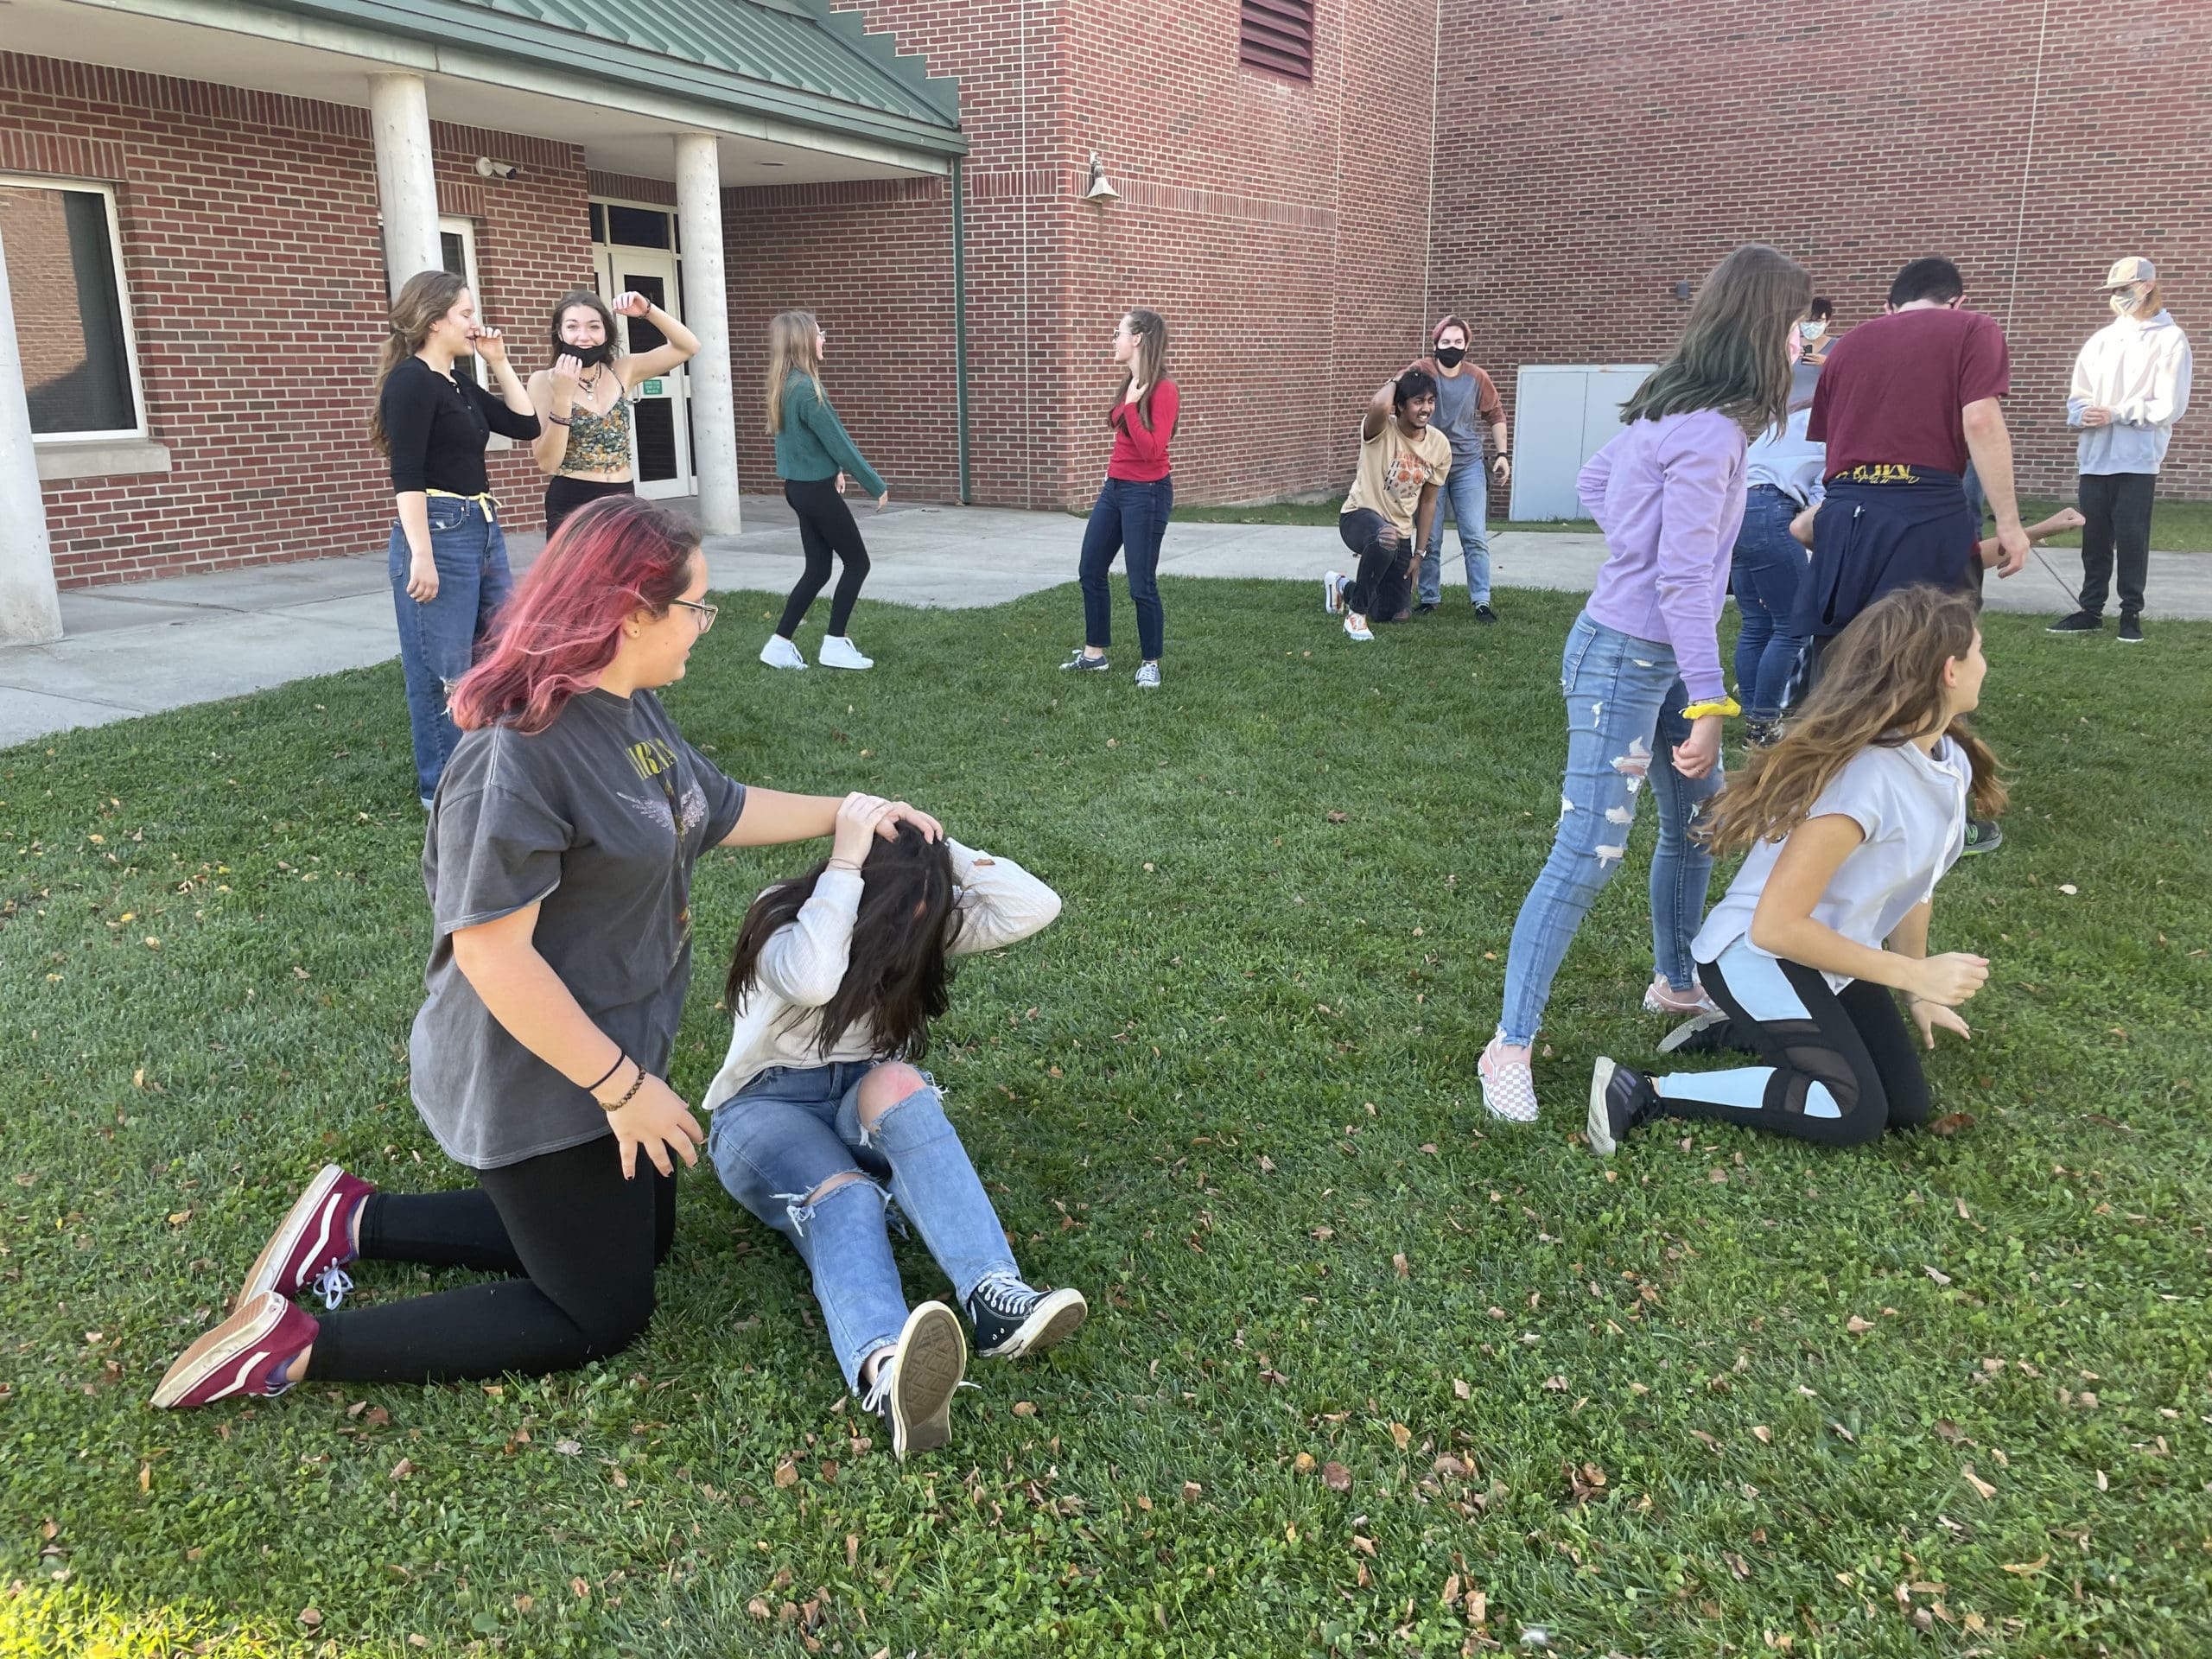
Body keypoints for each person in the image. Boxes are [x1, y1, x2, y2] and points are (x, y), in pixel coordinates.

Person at [152, 499, 944, 1409]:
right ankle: (286, 1349)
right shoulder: (516, 758)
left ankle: (353, 1218)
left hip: (604, 1045)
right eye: (697, 609)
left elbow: (714, 807)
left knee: (642, 1240)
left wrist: (856, 814)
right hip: (531, 1072)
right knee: (601, 1311)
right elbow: (494, 959)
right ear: (630, 612)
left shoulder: (630, 708)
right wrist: (622, 1088)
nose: (705, 628)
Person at [1478, 244, 1812, 1125]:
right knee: (1586, 853)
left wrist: (1641, 546)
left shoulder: (1683, 416)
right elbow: (1679, 581)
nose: (1803, 341)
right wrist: (1709, 704)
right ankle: (1506, 1045)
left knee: (1695, 827)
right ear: (1758, 330)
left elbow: (1598, 483)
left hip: (1650, 652)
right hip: (1625, 660)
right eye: (1794, 324)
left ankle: (1673, 985)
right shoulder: (1707, 433)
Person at [705, 804, 1081, 1459]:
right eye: (904, 902)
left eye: (928, 905)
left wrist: (935, 849)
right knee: (846, 1194)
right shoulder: (784, 918)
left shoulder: (917, 923)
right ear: (861, 888)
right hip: (762, 1112)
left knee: (900, 1082)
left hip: (857, 1095)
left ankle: (996, 1301)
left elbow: (1035, 904)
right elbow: (817, 978)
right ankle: (886, 1370)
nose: (918, 918)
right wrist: (849, 860)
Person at [1584, 585, 2001, 1154]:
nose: (1987, 662)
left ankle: (1735, 1029)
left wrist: (1919, 988)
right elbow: (1774, 929)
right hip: (1755, 955)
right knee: (1852, 1110)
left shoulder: (1945, 760)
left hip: (1825, 953)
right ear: (1949, 672)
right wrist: (1911, 977)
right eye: (1978, 650)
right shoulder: (1865, 780)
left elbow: (1915, 887)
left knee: (1905, 1107)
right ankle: (1645, 1091)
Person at [369, 270, 543, 809]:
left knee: (499, 650)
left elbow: (526, 425)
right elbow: (408, 474)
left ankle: (490, 770)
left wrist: (499, 362)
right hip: (440, 532)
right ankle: (443, 791)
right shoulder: (410, 382)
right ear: (435, 319)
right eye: (466, 314)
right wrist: (421, 552)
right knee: (442, 667)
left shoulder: (455, 382)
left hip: (483, 527)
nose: (475, 322)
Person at [2049, 257, 2193, 645]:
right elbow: (2077, 397)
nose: (2117, 297)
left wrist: (2117, 413)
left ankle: (2131, 613)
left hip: (2137, 457)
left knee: (2131, 536)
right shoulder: (2102, 340)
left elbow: (2169, 406)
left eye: (2124, 289)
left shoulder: (2170, 339)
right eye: (2113, 291)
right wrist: (2082, 415)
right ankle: (2090, 609)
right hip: (2095, 456)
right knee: (2093, 537)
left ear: (2147, 286)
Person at [760, 310, 888, 672]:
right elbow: (840, 443)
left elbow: (801, 447)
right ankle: (834, 643)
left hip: (800, 489)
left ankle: (779, 645)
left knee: (818, 569)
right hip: (814, 493)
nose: (824, 339)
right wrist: (874, 484)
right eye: (820, 333)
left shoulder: (785, 385)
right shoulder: (807, 390)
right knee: (858, 563)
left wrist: (832, 473)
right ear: (803, 341)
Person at [1064, 308, 1178, 686]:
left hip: (1147, 493)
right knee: (1090, 569)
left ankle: (1151, 662)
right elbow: (1118, 425)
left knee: (1140, 583)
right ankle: (1094, 654)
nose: (1114, 340)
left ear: (1139, 338)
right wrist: (1127, 401)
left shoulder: (1163, 389)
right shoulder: (1132, 382)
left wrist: (1130, 405)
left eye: (1119, 333)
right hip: (1114, 488)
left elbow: (1151, 449)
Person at [529, 288, 700, 537]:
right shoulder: (543, 381)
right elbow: (547, 462)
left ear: (607, 331)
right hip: (573, 500)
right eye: (573, 327)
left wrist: (648, 311)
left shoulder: (623, 370)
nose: (583, 336)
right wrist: (563, 398)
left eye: (594, 327)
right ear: (560, 331)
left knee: (626, 576)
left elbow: (688, 347)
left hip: (622, 498)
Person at [1322, 370, 1451, 642]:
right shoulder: (1380, 428)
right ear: (1401, 405)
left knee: (1393, 613)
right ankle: (1355, 617)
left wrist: (1419, 554)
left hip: (1401, 531)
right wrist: (1399, 378)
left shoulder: (1439, 445)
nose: (1425, 408)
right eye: (1417, 401)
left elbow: (1429, 502)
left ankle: (1342, 587)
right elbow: (1379, 405)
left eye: (1430, 401)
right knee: (1385, 537)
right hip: (1359, 516)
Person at [1732, 397, 1824, 742]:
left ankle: (1755, 721)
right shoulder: (1836, 423)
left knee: (1756, 624)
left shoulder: (1790, 421)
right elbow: (1823, 492)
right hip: (1773, 508)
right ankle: (1765, 723)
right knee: (1792, 626)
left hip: (1736, 509)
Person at [1407, 316, 1509, 620]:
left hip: (1467, 466)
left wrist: (1502, 454)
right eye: (1446, 342)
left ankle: (1481, 601)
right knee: (1429, 538)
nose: (1452, 347)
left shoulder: (1476, 377)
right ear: (1436, 343)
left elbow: (1496, 414)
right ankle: (1428, 598)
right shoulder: (1422, 369)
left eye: (1458, 342)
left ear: (1467, 346)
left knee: (1474, 536)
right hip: (1428, 466)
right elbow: (1397, 394)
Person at [1798, 296, 1836, 367]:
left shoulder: (1838, 346)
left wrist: (1828, 363)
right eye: (1808, 321)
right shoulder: (1790, 346)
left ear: (1827, 323)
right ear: (1799, 321)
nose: (1812, 325)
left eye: (1818, 321)